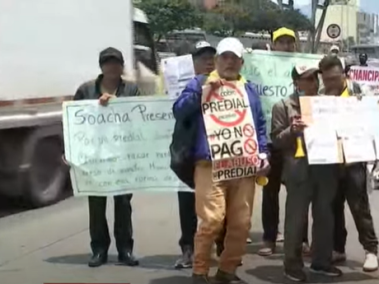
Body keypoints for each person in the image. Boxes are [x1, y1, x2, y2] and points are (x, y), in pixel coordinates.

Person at [173, 37, 269, 284]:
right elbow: (179, 110)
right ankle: (200, 271)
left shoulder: (249, 90)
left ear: (241, 62)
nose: (229, 62)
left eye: (234, 58)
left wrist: (264, 154)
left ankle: (227, 271)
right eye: (224, 57)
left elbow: (259, 126)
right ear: (216, 61)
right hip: (210, 164)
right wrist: (203, 92)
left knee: (241, 223)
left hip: (244, 167)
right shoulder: (200, 83)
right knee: (213, 219)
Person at [271, 65, 342, 281]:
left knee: (325, 217)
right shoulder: (283, 106)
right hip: (298, 171)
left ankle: (321, 261)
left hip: (325, 168)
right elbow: (276, 141)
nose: (312, 83)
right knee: (296, 220)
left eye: (314, 78)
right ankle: (291, 264)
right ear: (296, 82)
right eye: (307, 79)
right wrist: (292, 131)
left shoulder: (327, 105)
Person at [73, 47, 140, 268]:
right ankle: (99, 250)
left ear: (122, 66)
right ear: (101, 66)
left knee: (123, 205)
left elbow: (140, 118)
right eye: (107, 63)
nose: (112, 67)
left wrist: (117, 105)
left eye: (116, 63)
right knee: (96, 205)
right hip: (95, 158)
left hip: (123, 156)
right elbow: (75, 121)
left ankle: (125, 250)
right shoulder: (85, 90)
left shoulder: (131, 89)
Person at [318, 55, 379, 272]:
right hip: (330, 161)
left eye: (334, 78)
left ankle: (371, 250)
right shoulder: (320, 97)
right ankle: (338, 248)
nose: (331, 84)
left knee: (359, 207)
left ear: (345, 75)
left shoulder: (360, 94)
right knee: (334, 207)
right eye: (326, 80)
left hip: (354, 161)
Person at [259, 27, 310, 257]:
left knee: (300, 194)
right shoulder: (259, 64)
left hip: (297, 144)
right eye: (282, 42)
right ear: (273, 44)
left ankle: (302, 239)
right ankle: (270, 239)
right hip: (271, 141)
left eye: (290, 42)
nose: (287, 46)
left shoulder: (305, 65)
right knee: (270, 194)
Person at [174, 41, 217, 269]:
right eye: (203, 58)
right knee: (187, 203)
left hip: (218, 156)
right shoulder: (189, 85)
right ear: (192, 63)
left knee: (217, 206)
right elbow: (178, 111)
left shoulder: (229, 84)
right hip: (188, 155)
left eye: (212, 57)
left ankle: (218, 249)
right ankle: (188, 249)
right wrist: (201, 88)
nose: (208, 62)